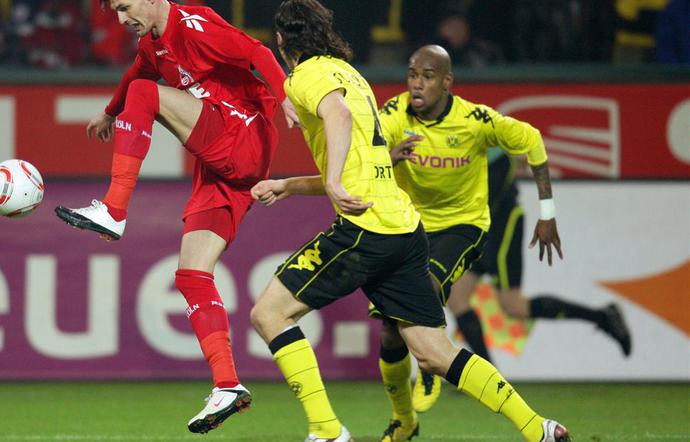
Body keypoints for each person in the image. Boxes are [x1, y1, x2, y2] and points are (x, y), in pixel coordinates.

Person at [250, 2, 570, 441]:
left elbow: (338, 120)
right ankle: (538, 428)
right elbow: (365, 168)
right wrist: (290, 185)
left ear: (281, 40)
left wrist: (335, 183)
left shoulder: (304, 77)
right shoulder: (352, 76)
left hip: (365, 231)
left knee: (269, 314)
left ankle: (327, 430)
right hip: (405, 229)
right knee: (435, 352)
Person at [53, 0, 299, 434]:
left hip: (243, 133)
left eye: (125, 6)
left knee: (144, 95)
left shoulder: (194, 24)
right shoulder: (152, 44)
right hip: (224, 169)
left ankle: (114, 209)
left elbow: (257, 52)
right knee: (192, 276)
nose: (120, 19)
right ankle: (227, 384)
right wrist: (108, 112)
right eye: (114, 11)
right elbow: (136, 73)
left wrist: (286, 97)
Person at [370, 45, 630, 441]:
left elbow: (529, 143)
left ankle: (435, 366)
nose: (417, 83)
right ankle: (432, 400)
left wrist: (547, 213)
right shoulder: (394, 115)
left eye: (427, 76)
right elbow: (367, 157)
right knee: (405, 323)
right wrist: (388, 156)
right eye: (412, 75)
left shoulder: (478, 124)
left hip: (484, 225)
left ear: (447, 82)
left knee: (504, 303)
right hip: (415, 228)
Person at [411, 149, 633, 414]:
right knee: (458, 299)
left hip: (501, 227)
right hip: (477, 230)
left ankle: (603, 317)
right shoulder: (466, 151)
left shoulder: (497, 158)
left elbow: (486, 197)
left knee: (513, 305)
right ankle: (489, 377)